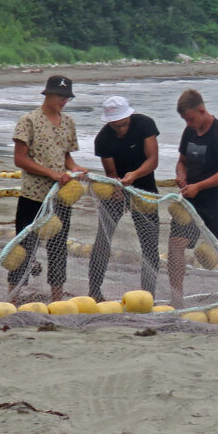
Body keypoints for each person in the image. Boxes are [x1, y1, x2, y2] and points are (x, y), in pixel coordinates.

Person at [11, 74, 88, 301]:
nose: (63, 101)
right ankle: (12, 297)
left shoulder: (68, 123)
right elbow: (20, 159)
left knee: (57, 248)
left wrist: (77, 170)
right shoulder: (29, 120)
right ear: (48, 94)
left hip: (60, 198)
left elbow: (67, 159)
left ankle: (56, 298)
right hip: (33, 196)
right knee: (23, 246)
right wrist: (51, 173)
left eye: (67, 97)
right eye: (60, 96)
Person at [167, 89, 218, 306]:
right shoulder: (189, 132)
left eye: (190, 118)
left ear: (202, 110)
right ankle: (176, 299)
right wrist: (181, 174)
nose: (188, 123)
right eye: (184, 120)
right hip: (192, 199)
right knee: (175, 244)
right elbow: (182, 160)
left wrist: (199, 186)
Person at [87, 96, 161, 300]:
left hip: (144, 187)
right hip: (116, 188)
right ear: (109, 122)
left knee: (149, 243)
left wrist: (134, 176)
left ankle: (148, 294)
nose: (121, 129)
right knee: (103, 238)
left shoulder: (144, 124)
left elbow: (153, 160)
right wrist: (117, 186)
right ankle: (94, 291)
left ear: (129, 116)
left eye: (124, 124)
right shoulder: (103, 139)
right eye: (116, 126)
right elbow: (110, 172)